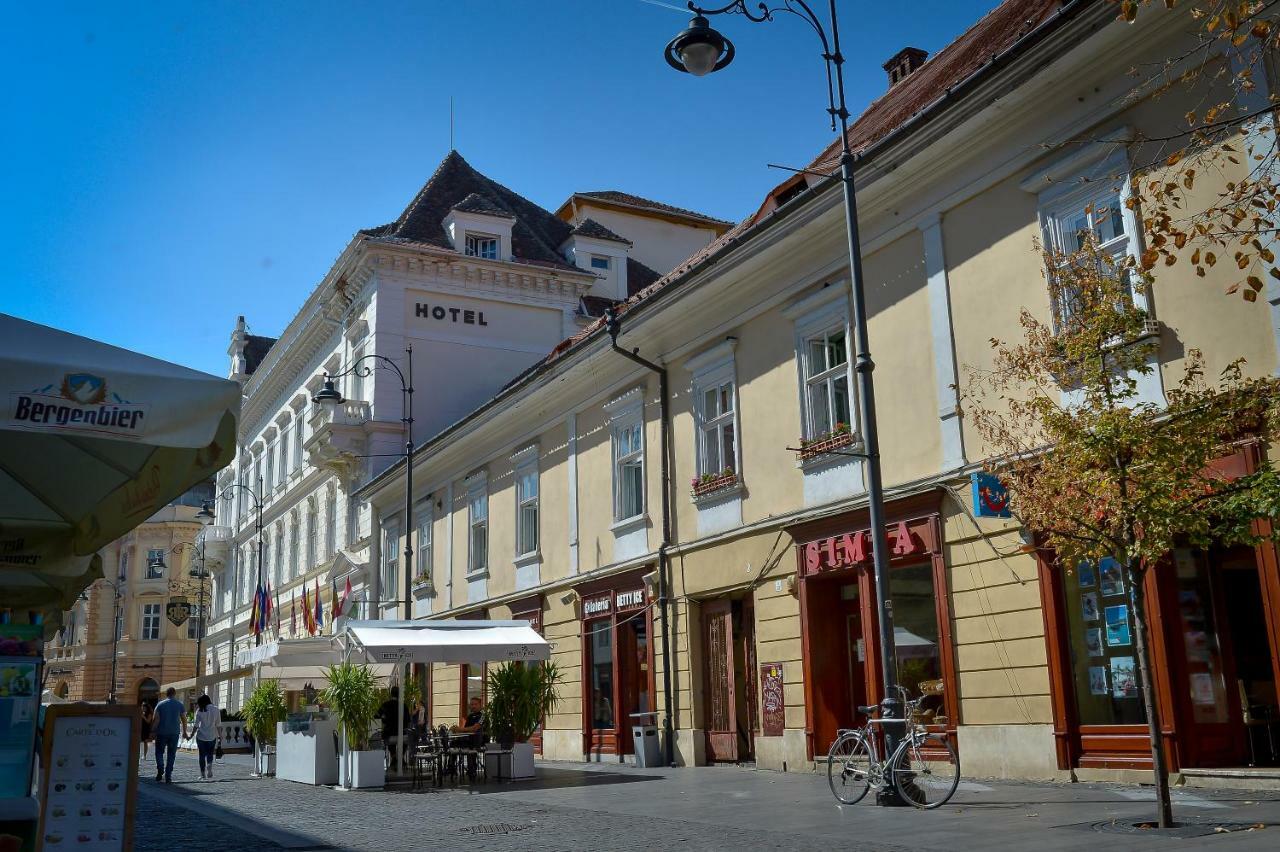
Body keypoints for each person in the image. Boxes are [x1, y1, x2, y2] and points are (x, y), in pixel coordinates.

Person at [151, 687, 186, 783]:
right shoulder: (179, 705)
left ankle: (160, 768)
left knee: (159, 752)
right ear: (175, 694)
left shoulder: (160, 704)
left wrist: (152, 731)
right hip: (174, 733)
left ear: (166, 694)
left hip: (161, 732)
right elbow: (184, 719)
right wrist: (185, 731)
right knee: (171, 754)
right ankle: (168, 775)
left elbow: (156, 719)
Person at [378, 686, 410, 765]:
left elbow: (376, 716)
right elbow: (408, 720)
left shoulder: (385, 705)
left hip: (389, 734)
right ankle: (400, 757)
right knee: (405, 741)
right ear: (399, 695)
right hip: (402, 734)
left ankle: (394, 756)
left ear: (391, 694)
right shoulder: (403, 706)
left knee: (389, 739)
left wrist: (384, 720)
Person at [193, 694, 221, 780]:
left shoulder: (199, 710)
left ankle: (202, 774)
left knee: (201, 755)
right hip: (212, 735)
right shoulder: (216, 709)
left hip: (201, 736)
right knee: (210, 753)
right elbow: (218, 724)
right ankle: (209, 766)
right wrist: (220, 736)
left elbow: (196, 725)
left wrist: (191, 735)